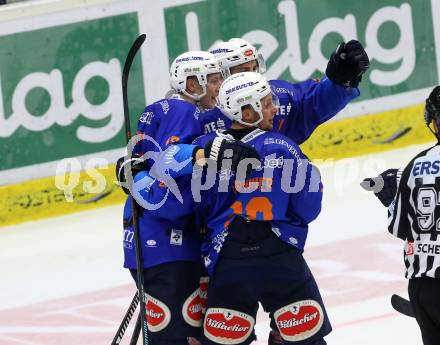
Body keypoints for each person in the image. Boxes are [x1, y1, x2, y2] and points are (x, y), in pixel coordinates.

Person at [135, 72, 331, 344]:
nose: (275, 108)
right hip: (282, 260)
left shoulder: (205, 149)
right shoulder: (284, 147)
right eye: (266, 102)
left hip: (228, 261)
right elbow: (309, 208)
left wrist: (136, 174)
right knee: (305, 338)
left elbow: (172, 197)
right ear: (247, 111)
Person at [119, 51, 245, 345]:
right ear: (191, 83)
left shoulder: (160, 109)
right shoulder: (183, 112)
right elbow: (165, 171)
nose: (219, 87)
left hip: (152, 240)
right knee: (179, 337)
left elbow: (143, 168)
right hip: (167, 244)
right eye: (213, 81)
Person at [362, 86, 440, 345]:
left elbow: (399, 227)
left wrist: (390, 199)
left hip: (422, 289)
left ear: (433, 124)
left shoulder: (415, 166)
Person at [200, 37, 369, 147]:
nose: (252, 76)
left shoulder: (275, 98)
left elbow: (310, 103)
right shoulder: (196, 116)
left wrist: (339, 82)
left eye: (254, 69)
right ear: (219, 76)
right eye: (243, 71)